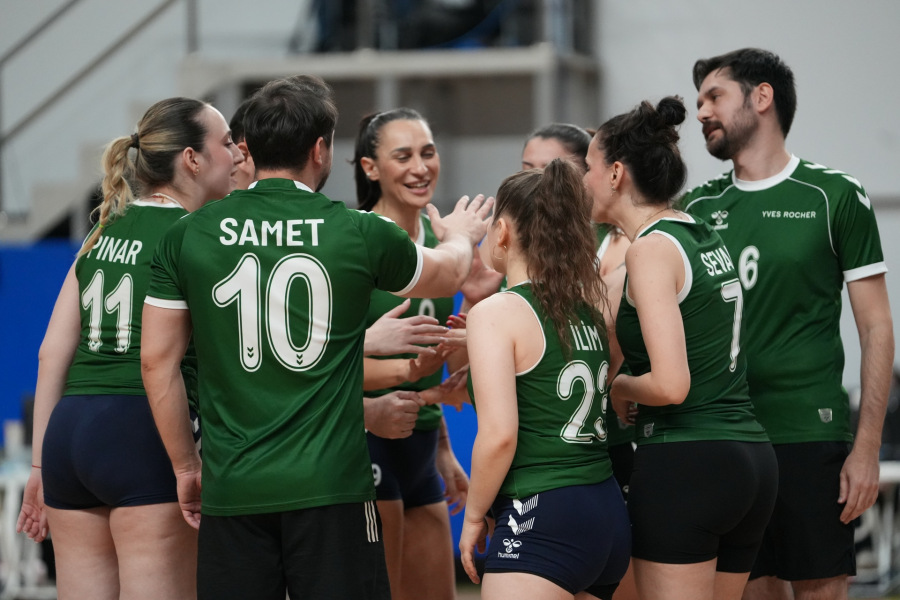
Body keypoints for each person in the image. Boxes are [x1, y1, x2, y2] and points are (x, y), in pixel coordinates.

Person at [140, 75, 492, 600]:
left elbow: (156, 363)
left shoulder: (187, 234)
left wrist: (186, 466)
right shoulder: (358, 231)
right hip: (333, 489)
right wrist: (461, 236)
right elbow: (449, 273)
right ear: (320, 149)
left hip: (233, 487)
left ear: (248, 149)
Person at [681, 48, 895, 600]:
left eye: (714, 96)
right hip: (725, 439)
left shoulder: (834, 195)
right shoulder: (694, 210)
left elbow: (876, 328)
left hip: (809, 433)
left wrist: (866, 448)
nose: (701, 111)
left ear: (762, 97)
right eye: (699, 100)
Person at [15, 97, 244, 600]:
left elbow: (51, 352)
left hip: (69, 436)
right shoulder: (196, 236)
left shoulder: (104, 229)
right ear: (192, 159)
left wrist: (38, 466)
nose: (238, 155)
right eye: (227, 143)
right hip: (147, 432)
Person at [585, 96, 778, 600]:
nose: (583, 180)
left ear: (615, 173)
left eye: (588, 166)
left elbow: (671, 386)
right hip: (751, 459)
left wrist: (618, 387)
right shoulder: (700, 231)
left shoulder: (650, 249)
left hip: (688, 459)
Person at [460, 158, 631, 600]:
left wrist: (474, 515)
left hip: (542, 512)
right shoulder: (586, 310)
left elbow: (499, 436)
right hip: (605, 508)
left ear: (502, 231)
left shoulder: (497, 312)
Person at [353, 107, 471, 600]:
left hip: (420, 443)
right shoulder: (355, 238)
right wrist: (402, 373)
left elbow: (437, 366)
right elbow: (326, 364)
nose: (420, 167)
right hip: (365, 441)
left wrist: (442, 448)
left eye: (428, 152)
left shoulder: (441, 242)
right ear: (370, 167)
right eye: (403, 156)